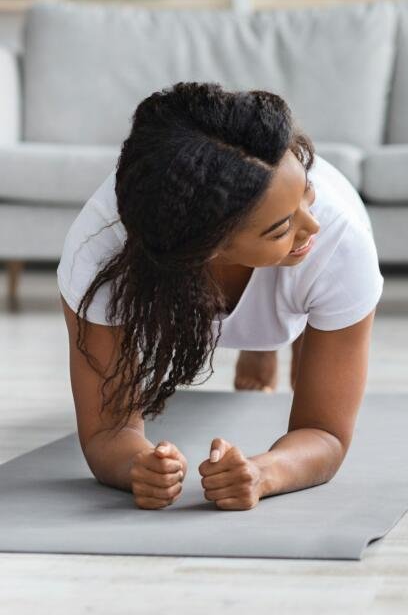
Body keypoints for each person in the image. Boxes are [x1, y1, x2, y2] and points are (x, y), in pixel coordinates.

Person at [58, 82, 383, 511]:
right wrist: (138, 465)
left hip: (299, 284)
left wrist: (264, 472)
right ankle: (260, 338)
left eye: (307, 192)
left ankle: (265, 342)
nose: (312, 226)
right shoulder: (100, 253)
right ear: (209, 247)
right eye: (282, 227)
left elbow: (325, 432)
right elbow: (106, 431)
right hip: (184, 269)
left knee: (303, 316)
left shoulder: (337, 240)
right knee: (275, 295)